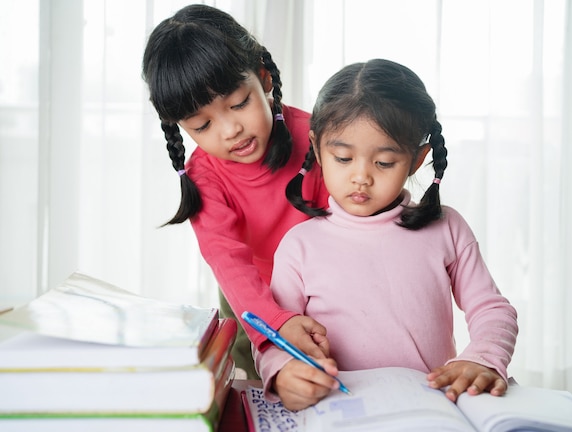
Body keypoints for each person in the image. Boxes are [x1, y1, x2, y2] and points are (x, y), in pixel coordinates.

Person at [253, 59, 519, 410]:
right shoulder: (299, 246)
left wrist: (482, 358)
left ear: (417, 159)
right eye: (343, 158)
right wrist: (283, 372)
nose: (361, 177)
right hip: (340, 411)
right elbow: (278, 337)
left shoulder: (446, 228)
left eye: (383, 163)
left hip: (432, 411)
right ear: (317, 149)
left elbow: (492, 309)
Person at [141, 4, 330, 379]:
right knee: (261, 389)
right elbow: (228, 261)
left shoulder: (320, 138)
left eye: (239, 104)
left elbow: (352, 231)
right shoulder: (204, 176)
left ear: (264, 78)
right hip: (250, 296)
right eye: (202, 124)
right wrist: (275, 321)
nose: (230, 131)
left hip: (327, 287)